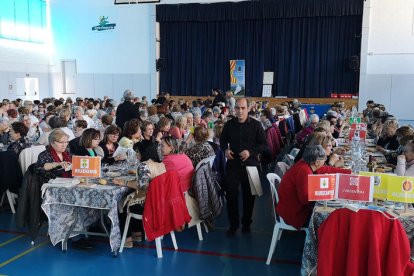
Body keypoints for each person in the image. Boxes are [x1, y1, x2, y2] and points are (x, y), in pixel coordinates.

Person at [219, 98, 268, 236]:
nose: (240, 111)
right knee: (231, 196)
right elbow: (222, 141)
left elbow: (264, 145)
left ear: (248, 108)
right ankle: (233, 224)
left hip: (251, 165)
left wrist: (250, 152)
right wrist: (225, 150)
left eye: (243, 108)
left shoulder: (256, 125)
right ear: (234, 109)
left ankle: (246, 223)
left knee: (249, 196)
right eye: (238, 108)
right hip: (233, 165)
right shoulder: (229, 125)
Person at [276, 145, 351, 229]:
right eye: (324, 159)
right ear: (317, 162)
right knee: (331, 218)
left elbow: (327, 169)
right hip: (294, 214)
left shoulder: (306, 163)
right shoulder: (304, 171)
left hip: (289, 208)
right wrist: (325, 191)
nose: (325, 162)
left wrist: (350, 173)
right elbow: (305, 199)